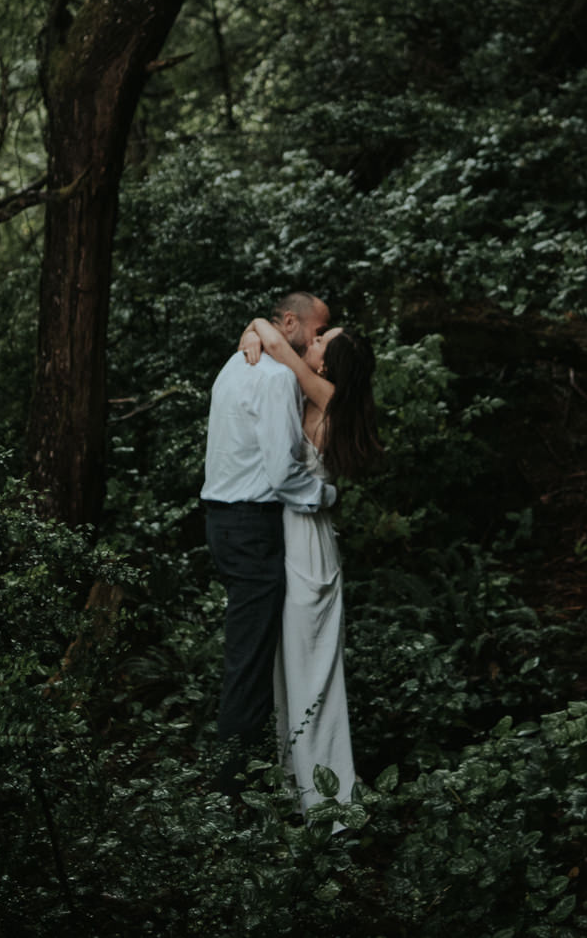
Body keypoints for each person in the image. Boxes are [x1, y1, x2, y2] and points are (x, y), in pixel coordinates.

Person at [237, 314, 383, 820]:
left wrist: (256, 326)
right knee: (288, 672)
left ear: (329, 363)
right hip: (292, 536)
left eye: (322, 340)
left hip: (308, 545)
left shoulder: (326, 393)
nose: (312, 342)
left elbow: (276, 343)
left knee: (314, 673)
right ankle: (298, 788)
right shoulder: (319, 397)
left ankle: (331, 800)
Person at [203, 291, 332, 796]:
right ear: (288, 323)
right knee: (250, 665)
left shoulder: (237, 362)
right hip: (251, 527)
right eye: (317, 330)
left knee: (250, 659)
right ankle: (231, 793)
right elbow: (282, 473)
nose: (318, 339)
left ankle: (251, 779)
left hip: (226, 522)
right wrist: (326, 494)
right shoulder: (278, 378)